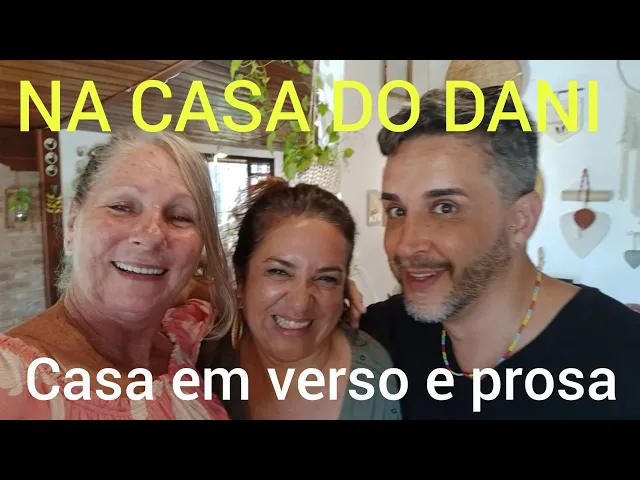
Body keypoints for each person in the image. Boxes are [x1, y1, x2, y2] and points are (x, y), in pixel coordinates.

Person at [354, 85, 640, 420]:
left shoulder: (622, 357)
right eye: (397, 211)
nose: (406, 244)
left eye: (445, 208)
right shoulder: (379, 337)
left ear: (521, 219)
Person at [0, 130, 236, 420]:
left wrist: (185, 286)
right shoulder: (11, 381)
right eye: (121, 207)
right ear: (72, 223)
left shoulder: (182, 339)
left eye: (180, 217)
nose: (150, 235)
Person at [192, 177, 401, 420]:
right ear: (241, 279)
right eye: (279, 272)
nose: (300, 304)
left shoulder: (373, 381)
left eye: (326, 278)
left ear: (344, 288)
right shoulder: (203, 352)